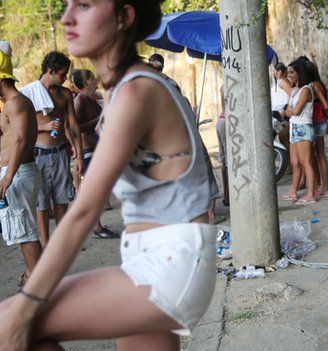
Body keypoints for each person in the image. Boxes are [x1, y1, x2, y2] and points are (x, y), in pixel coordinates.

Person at [0, 1, 217, 350]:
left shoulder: (136, 91)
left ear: (124, 16)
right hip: (152, 259)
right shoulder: (123, 90)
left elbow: (85, 211)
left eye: (84, 5)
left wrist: (26, 305)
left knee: (10, 323)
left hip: (168, 268)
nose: (67, 16)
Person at [20, 51, 84, 246]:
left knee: (62, 199)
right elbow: (19, 127)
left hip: (60, 153)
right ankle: (47, 245)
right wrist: (44, 127)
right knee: (41, 202)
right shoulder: (28, 94)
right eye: (62, 74)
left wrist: (79, 155)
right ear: (50, 71)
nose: (65, 79)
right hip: (38, 154)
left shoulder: (64, 94)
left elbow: (73, 126)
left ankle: (61, 243)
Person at [0, 41, 43, 287]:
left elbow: (19, 141)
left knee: (26, 232)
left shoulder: (16, 102)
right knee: (22, 231)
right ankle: (31, 276)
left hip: (17, 174)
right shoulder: (11, 105)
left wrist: (7, 178)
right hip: (15, 173)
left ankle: (37, 285)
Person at [71, 69, 119, 239]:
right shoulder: (79, 101)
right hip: (87, 151)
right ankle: (96, 228)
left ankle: (96, 225)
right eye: (90, 77)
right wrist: (99, 120)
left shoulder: (90, 98)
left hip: (97, 149)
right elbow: (75, 128)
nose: (94, 78)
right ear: (85, 82)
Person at [280, 60, 316, 205]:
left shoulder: (306, 90)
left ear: (299, 73)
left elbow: (295, 110)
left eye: (291, 72)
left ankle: (311, 195)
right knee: (294, 163)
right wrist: (288, 112)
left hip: (303, 128)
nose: (289, 75)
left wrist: (287, 112)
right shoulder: (295, 90)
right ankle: (293, 192)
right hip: (294, 128)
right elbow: (289, 109)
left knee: (305, 162)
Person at [304, 57, 328, 197]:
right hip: (320, 121)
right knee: (319, 155)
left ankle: (325, 187)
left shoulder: (313, 85)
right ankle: (323, 186)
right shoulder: (318, 83)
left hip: (317, 123)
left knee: (319, 156)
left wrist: (321, 115)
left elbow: (325, 105)